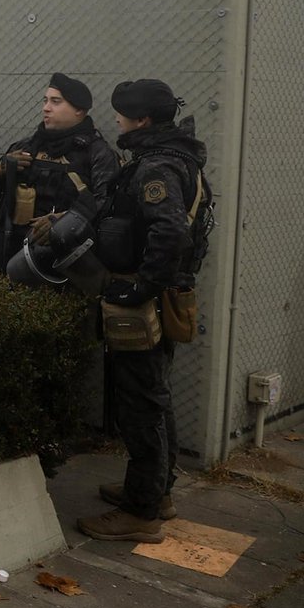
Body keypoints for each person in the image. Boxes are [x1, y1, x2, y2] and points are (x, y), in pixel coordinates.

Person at [77, 78, 207, 544]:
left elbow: (169, 232)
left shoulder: (157, 166)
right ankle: (156, 492)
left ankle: (141, 512)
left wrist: (142, 287)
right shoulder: (175, 156)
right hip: (161, 293)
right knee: (154, 395)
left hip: (147, 298)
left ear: (143, 120)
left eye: (123, 112)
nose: (116, 118)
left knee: (140, 404)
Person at [0, 72, 118, 266]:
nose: (46, 108)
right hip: (12, 249)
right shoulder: (25, 147)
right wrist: (0, 170)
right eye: (45, 101)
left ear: (79, 110)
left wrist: (63, 222)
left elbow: (106, 204)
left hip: (62, 257)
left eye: (56, 102)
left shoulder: (97, 153)